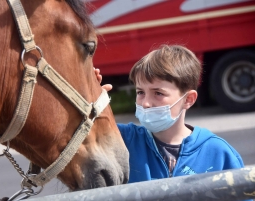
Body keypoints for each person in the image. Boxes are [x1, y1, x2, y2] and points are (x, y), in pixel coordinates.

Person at [95, 44, 247, 183]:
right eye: (140, 92)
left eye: (158, 93)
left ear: (188, 99)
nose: (146, 103)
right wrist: (91, 98)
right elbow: (80, 134)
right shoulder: (123, 139)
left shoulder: (218, 153)